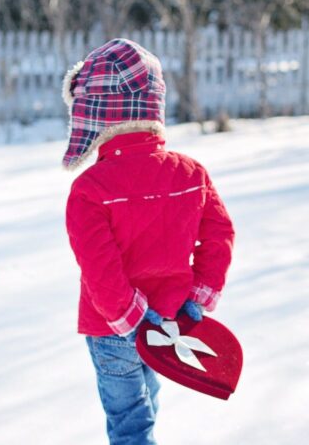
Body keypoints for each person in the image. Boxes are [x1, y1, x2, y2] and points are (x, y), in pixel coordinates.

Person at [62, 38, 235, 445]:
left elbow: (99, 267)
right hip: (167, 321)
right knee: (146, 407)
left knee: (130, 421)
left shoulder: (89, 189)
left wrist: (130, 316)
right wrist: (196, 297)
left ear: (96, 115)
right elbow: (219, 235)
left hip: (111, 327)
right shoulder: (191, 174)